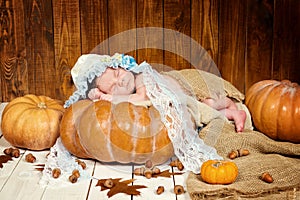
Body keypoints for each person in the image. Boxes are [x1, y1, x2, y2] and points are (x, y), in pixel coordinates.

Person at [88, 66, 247, 132]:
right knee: (202, 110)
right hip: (183, 100)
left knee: (207, 105)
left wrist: (108, 97)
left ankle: (230, 106)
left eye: (117, 74)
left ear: (122, 66)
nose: (120, 81)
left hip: (186, 89)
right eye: (114, 88)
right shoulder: (129, 94)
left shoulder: (141, 77)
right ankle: (229, 112)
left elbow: (140, 98)